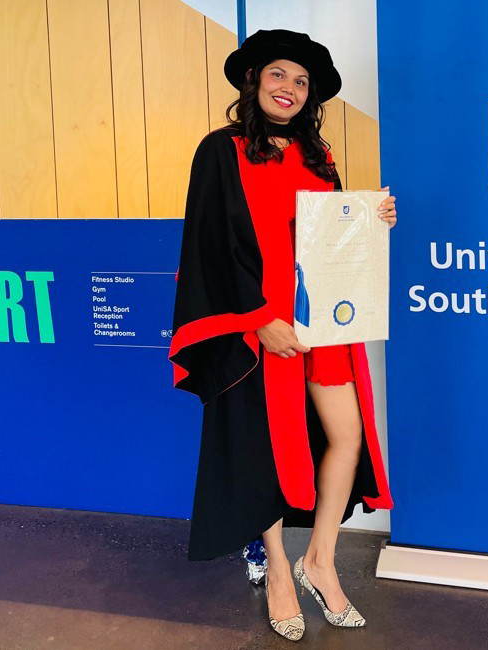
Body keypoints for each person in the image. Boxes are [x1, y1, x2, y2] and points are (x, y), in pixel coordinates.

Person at [168, 29, 397, 641]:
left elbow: (330, 241)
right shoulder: (220, 151)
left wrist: (372, 221)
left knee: (345, 437)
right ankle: (277, 571)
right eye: (278, 76)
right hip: (258, 329)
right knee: (260, 452)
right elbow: (208, 244)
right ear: (254, 82)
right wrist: (256, 320)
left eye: (301, 81)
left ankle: (320, 559)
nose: (289, 89)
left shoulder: (320, 157)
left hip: (323, 324)